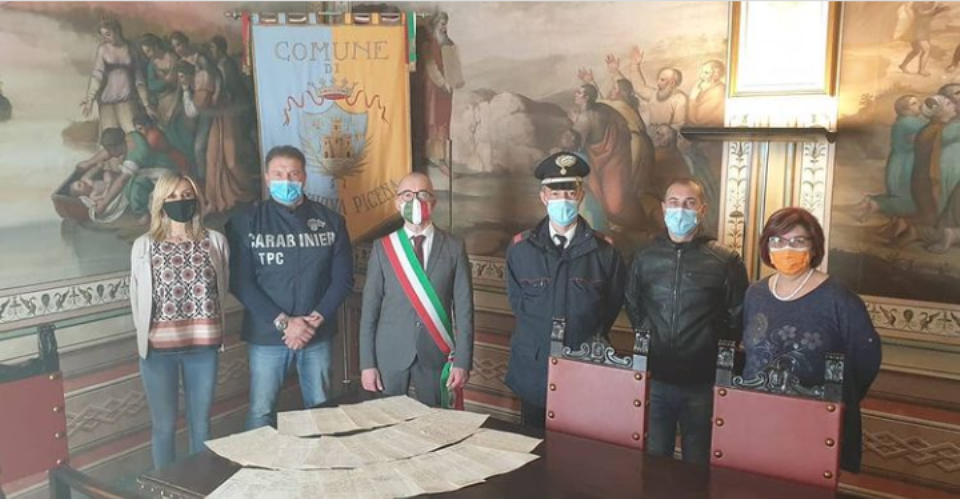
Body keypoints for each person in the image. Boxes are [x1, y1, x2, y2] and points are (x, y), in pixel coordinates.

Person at [742, 207, 882, 472]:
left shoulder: (839, 299)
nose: (787, 249)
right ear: (767, 246)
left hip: (815, 424)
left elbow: (866, 360)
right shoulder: (755, 294)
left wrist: (839, 394)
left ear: (814, 246)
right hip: (758, 418)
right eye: (777, 240)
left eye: (798, 241)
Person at [227, 145, 353, 429]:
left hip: (316, 334)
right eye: (278, 174)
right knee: (261, 411)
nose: (286, 180)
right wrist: (286, 323)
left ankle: (322, 459)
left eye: (293, 173)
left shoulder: (331, 221)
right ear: (267, 177)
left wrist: (310, 323)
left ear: (304, 177)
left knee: (322, 410)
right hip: (267, 335)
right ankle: (257, 461)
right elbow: (241, 282)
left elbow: (343, 279)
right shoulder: (246, 222)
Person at [625, 177, 748, 465]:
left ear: (702, 210)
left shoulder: (725, 260)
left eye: (689, 203)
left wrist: (712, 346)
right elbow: (632, 303)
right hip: (655, 377)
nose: (680, 210)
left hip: (702, 382)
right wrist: (649, 337)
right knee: (654, 461)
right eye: (674, 203)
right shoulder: (644, 256)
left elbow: (738, 315)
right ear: (663, 208)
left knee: (698, 463)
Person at [505, 152, 626, 428]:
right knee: (532, 445)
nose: (563, 200)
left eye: (570, 193)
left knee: (577, 447)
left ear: (581, 195)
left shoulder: (605, 252)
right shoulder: (521, 249)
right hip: (534, 367)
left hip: (583, 367)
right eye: (556, 194)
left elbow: (610, 307)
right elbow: (518, 304)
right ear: (543, 197)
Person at [129, 172, 230, 469]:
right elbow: (137, 298)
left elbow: (222, 288)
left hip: (203, 348)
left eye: (186, 195)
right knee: (164, 427)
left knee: (201, 424)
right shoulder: (144, 246)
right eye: (172, 196)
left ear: (196, 198)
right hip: (158, 352)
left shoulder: (215, 241)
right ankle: (165, 486)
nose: (180, 201)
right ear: (160, 202)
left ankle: (200, 485)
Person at [359, 172, 474, 408]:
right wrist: (367, 364)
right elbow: (369, 311)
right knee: (388, 421)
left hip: (435, 353)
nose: (415, 201)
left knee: (435, 422)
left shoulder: (454, 246)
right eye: (407, 195)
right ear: (397, 203)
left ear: (433, 202)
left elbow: (464, 312)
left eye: (422, 195)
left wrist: (462, 361)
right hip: (390, 353)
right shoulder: (383, 248)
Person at [80, 19, 152, 133]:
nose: (105, 38)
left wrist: (146, 104)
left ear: (117, 31)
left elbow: (139, 78)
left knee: (133, 134)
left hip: (128, 101)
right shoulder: (103, 49)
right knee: (110, 137)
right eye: (103, 35)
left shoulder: (130, 48)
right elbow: (97, 75)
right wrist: (89, 100)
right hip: (107, 103)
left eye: (108, 34)